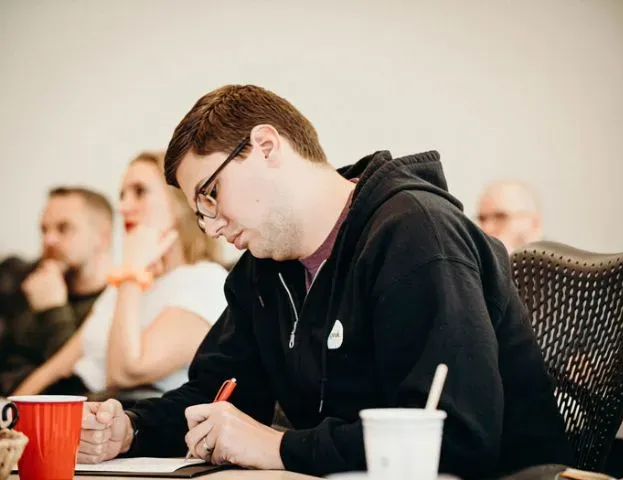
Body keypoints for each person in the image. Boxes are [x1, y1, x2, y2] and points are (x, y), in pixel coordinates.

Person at [78, 85, 572, 478]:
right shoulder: (264, 268)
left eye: (210, 195)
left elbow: (457, 438)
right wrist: (132, 428)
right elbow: (218, 394)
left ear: (266, 146)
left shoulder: (417, 234)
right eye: (198, 212)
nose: (210, 226)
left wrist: (278, 447)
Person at [12, 152, 228, 396]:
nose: (123, 207)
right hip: (73, 400)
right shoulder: (125, 283)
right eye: (122, 195)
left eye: (139, 192)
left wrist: (132, 271)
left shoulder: (204, 280)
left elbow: (125, 373)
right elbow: (55, 368)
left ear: (180, 203)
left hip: (125, 419)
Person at [0, 187, 113, 395]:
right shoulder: (16, 277)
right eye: (44, 230)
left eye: (64, 228)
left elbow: (77, 384)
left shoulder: (113, 305)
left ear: (103, 236)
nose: (48, 240)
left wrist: (53, 311)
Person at [476, 180, 543, 254]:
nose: (487, 228)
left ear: (534, 223)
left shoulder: (555, 261)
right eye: (482, 219)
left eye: (500, 217)